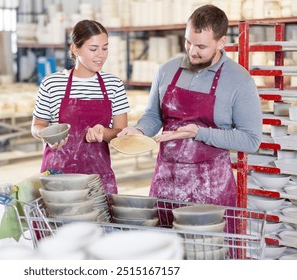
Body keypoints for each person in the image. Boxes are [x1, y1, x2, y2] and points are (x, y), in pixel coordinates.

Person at [117, 5, 262, 209]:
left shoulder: (239, 81)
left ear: (221, 42)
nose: (192, 52)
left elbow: (251, 140)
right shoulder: (167, 70)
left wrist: (199, 133)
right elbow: (153, 115)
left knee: (204, 241)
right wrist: (138, 130)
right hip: (166, 182)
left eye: (201, 47)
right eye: (188, 42)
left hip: (211, 189)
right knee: (164, 240)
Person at [31, 20, 130, 194]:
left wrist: (103, 133)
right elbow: (37, 125)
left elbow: (121, 132)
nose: (101, 55)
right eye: (93, 49)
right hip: (58, 176)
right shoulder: (52, 83)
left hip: (98, 179)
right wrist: (47, 136)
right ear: (75, 49)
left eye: (105, 48)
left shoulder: (113, 85)